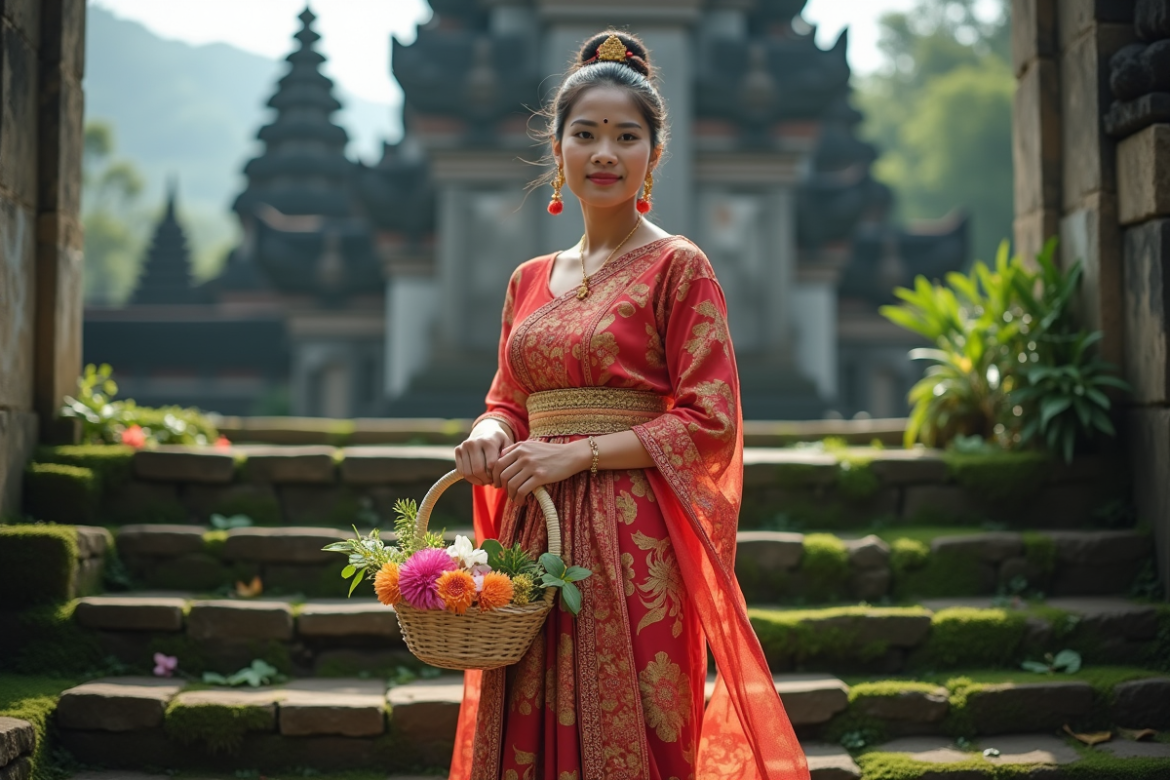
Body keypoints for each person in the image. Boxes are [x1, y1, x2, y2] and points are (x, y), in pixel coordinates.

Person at [450, 30, 809, 780]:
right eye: (585, 134)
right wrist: (489, 431)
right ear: (560, 152)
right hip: (531, 523)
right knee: (523, 719)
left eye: (625, 136)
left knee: (636, 729)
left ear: (653, 155)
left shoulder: (680, 267)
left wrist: (576, 452)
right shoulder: (527, 279)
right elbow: (509, 397)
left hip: (632, 541)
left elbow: (710, 418)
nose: (604, 153)